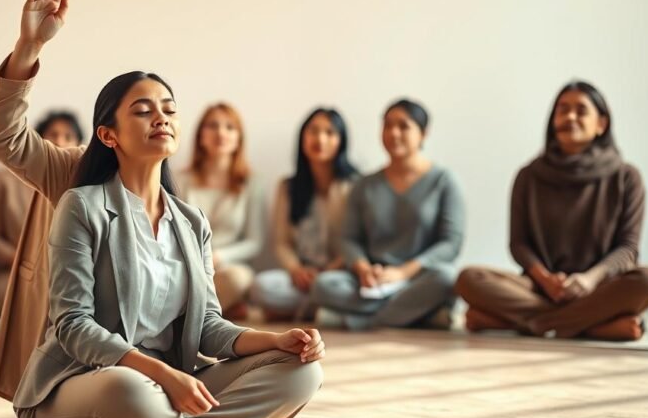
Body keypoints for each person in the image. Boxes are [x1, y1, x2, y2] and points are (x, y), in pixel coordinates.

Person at [10, 0, 324, 418]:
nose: (161, 117)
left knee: (302, 370)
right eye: (142, 110)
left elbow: (210, 329)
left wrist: (275, 338)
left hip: (170, 388)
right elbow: (73, 325)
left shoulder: (191, 221)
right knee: (129, 394)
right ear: (108, 135)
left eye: (169, 109)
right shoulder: (83, 204)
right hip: (86, 383)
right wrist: (160, 375)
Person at [456, 81, 648, 340]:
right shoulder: (528, 176)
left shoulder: (626, 177)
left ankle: (527, 323)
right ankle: (593, 326)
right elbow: (519, 244)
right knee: (469, 279)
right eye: (562, 110)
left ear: (601, 124)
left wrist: (588, 280)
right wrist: (545, 280)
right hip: (540, 288)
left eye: (581, 110)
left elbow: (628, 248)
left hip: (599, 287)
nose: (570, 117)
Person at [313, 99, 464, 330]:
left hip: (418, 278)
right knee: (323, 284)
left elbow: (451, 243)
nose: (394, 133)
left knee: (447, 278)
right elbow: (349, 238)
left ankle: (362, 321)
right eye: (387, 125)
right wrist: (364, 269)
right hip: (374, 280)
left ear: (423, 134)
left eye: (404, 126)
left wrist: (403, 272)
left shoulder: (443, 182)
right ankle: (416, 314)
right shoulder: (364, 185)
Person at [251, 108, 358, 321]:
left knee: (333, 287)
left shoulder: (354, 186)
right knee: (261, 287)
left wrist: (328, 271)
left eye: (330, 132)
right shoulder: (287, 187)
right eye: (313, 131)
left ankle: (302, 311)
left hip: (338, 275)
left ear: (341, 141)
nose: (320, 139)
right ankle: (323, 311)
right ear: (302, 138)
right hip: (301, 279)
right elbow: (281, 242)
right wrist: (296, 269)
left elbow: (356, 242)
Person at [0, 110, 82, 316]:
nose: (59, 141)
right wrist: (27, 261)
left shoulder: (84, 185)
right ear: (38, 139)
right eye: (53, 134)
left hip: (68, 274)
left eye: (68, 136)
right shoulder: (3, 181)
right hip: (14, 272)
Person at [174, 103, 265, 320]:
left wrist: (219, 257)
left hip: (226, 268)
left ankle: (191, 317)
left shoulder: (251, 183)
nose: (221, 133)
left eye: (229, 127)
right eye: (212, 126)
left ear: (239, 138)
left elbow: (255, 241)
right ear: (200, 136)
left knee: (237, 279)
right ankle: (217, 314)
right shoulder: (179, 180)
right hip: (187, 263)